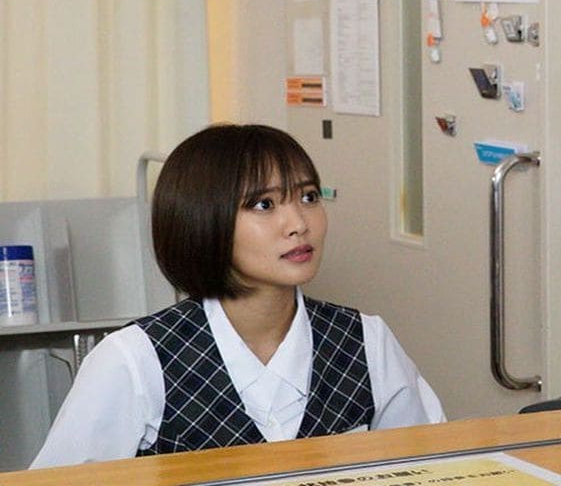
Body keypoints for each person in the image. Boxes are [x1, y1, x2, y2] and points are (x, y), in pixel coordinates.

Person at [31, 124, 445, 467]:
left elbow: (438, 465)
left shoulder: (365, 340)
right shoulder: (136, 360)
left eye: (308, 197)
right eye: (264, 204)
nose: (298, 223)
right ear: (202, 220)